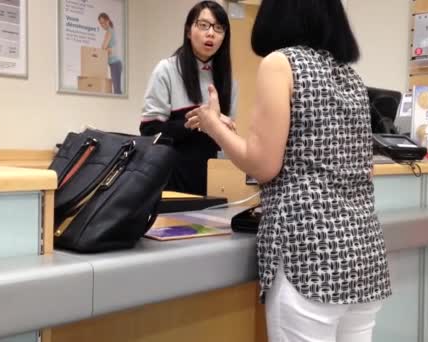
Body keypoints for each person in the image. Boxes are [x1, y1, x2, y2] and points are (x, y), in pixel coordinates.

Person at [185, 0, 391, 341]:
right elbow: (354, 167)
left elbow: (263, 165)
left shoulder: (281, 63)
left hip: (307, 258)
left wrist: (212, 125)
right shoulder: (350, 76)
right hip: (363, 257)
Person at [139, 1, 237, 196]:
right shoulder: (166, 70)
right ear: (188, 31)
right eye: (203, 25)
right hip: (171, 183)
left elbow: (227, 141)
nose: (211, 33)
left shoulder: (229, 82)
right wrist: (198, 122)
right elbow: (150, 132)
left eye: (219, 28)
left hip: (214, 185)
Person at [98, 13, 123, 94]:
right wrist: (108, 49)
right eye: (100, 23)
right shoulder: (110, 31)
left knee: (117, 90)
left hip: (115, 64)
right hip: (114, 64)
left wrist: (107, 49)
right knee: (116, 89)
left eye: (103, 22)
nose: (102, 25)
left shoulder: (109, 31)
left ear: (108, 21)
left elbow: (103, 47)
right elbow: (106, 49)